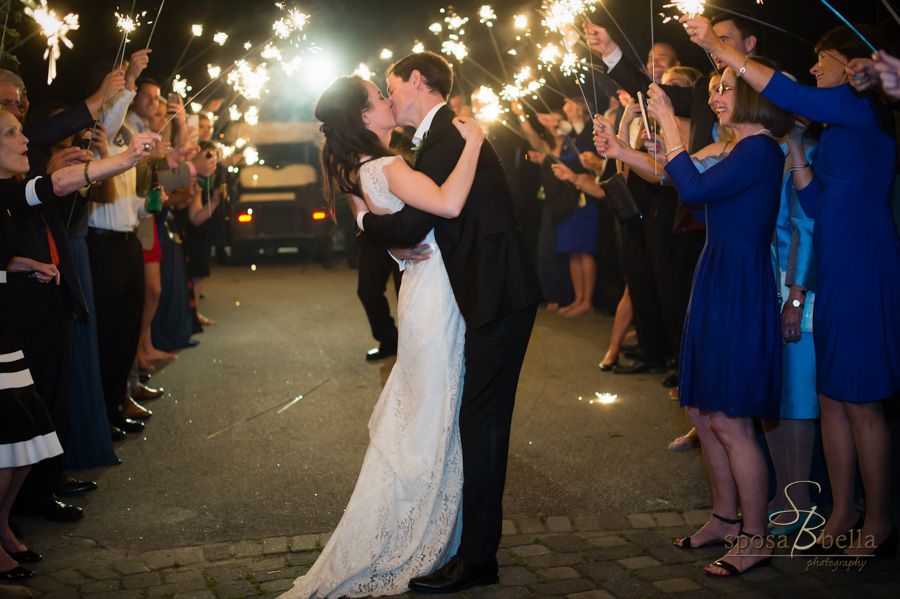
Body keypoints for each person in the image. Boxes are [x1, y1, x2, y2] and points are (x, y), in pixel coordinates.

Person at [684, 16, 900, 559]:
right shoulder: (834, 130)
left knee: (862, 401)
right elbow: (813, 205)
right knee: (831, 396)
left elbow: (784, 88)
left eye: (821, 59)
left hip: (864, 260)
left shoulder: (860, 109)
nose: (813, 68)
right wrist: (799, 148)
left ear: (852, 65)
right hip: (834, 259)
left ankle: (879, 518)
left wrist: (718, 48)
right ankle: (842, 509)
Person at [282, 73, 485, 598]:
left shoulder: (353, 170)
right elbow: (449, 205)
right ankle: (418, 534)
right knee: (435, 407)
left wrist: (393, 248)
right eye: (377, 98)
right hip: (435, 290)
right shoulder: (388, 165)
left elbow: (368, 224)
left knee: (424, 407)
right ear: (364, 117)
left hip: (419, 289)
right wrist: (476, 144)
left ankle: (428, 521)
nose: (387, 100)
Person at [357, 52, 542, 593]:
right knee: (477, 420)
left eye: (392, 88)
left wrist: (362, 215)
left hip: (497, 292)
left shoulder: (449, 138)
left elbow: (415, 221)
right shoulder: (441, 137)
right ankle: (472, 541)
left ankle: (479, 557)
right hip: (485, 291)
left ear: (418, 81)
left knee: (482, 423)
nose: (389, 99)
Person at [618, 61, 790, 575]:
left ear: (756, 98)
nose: (714, 97)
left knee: (731, 419)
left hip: (738, 281)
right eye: (712, 89)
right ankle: (724, 519)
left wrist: (669, 120)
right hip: (716, 274)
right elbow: (685, 182)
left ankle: (756, 537)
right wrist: (649, 147)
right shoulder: (737, 149)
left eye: (725, 89)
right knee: (701, 410)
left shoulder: (759, 149)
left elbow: (690, 190)